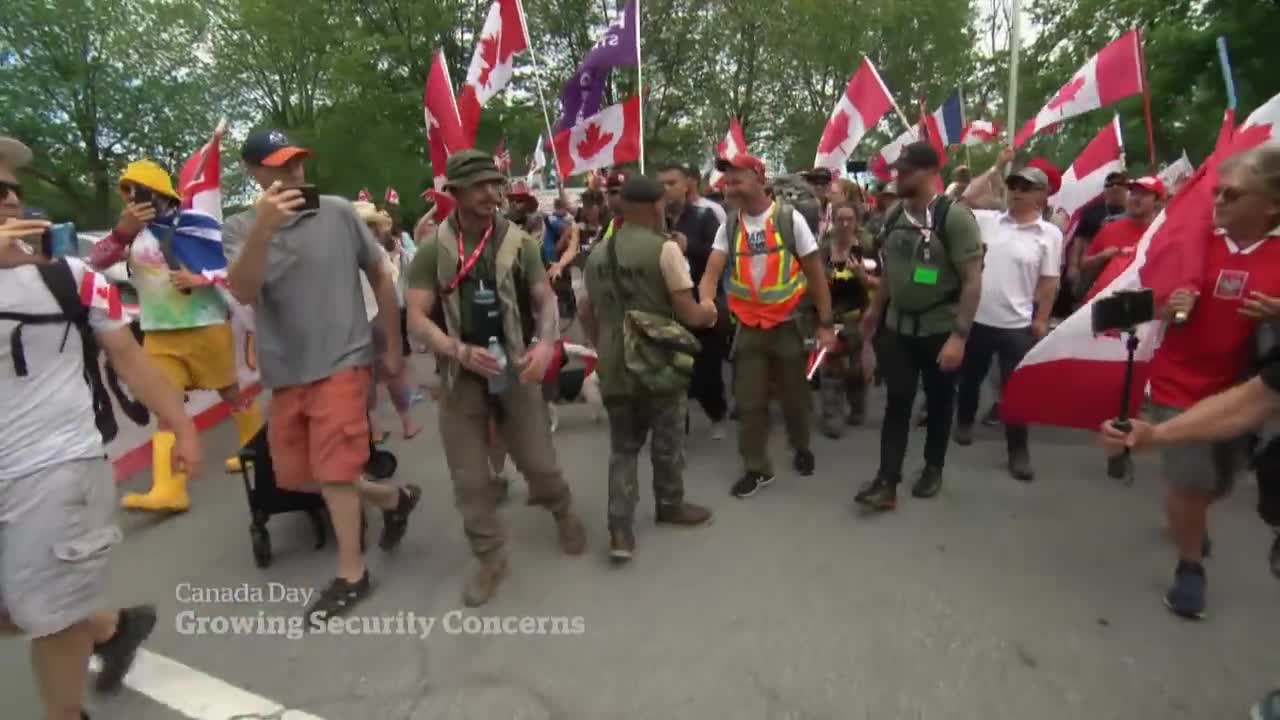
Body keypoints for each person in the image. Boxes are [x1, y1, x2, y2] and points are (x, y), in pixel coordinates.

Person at [1, 136, 201, 719]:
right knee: (19, 606)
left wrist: (181, 425)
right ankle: (114, 628)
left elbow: (132, 360)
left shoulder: (70, 279)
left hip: (56, 468)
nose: (11, 202)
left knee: (49, 615)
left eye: (14, 190)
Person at [222, 129, 422, 623]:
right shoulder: (239, 227)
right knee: (294, 477)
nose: (292, 173)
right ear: (255, 172)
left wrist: (391, 343)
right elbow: (243, 291)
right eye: (279, 165)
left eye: (297, 162)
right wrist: (264, 229)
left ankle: (352, 574)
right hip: (286, 369)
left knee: (334, 469)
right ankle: (393, 498)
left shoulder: (336, 213)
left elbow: (380, 271)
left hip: (344, 358)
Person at [404, 150, 586, 608]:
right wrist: (456, 350)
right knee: (469, 478)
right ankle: (489, 557)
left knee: (539, 462)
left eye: (496, 183)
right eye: (481, 185)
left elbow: (544, 299)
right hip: (460, 375)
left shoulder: (519, 242)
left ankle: (561, 509)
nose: (492, 193)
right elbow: (416, 318)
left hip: (516, 364)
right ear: (457, 193)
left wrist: (545, 345)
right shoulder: (433, 250)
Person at [1116, 145, 1280, 620]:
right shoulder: (1189, 240)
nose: (1220, 202)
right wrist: (1165, 306)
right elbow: (1128, 305)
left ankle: (1192, 517)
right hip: (1179, 387)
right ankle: (1190, 568)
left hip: (1250, 393)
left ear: (1270, 204)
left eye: (1234, 194)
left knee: (1222, 482)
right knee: (1189, 483)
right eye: (1219, 193)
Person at [86, 159, 263, 512]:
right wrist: (123, 233)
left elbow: (231, 264)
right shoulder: (129, 233)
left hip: (205, 325)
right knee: (164, 406)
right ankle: (169, 488)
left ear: (162, 195)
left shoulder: (197, 224)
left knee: (230, 392)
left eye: (140, 192)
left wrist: (200, 279)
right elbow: (95, 261)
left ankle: (256, 449)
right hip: (158, 333)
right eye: (128, 192)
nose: (133, 199)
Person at [580, 175, 718, 561]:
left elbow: (585, 310)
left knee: (623, 446)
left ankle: (620, 531)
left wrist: (602, 344)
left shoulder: (596, 254)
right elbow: (689, 313)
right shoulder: (665, 250)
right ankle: (670, 504)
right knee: (667, 438)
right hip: (657, 360)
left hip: (613, 360)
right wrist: (709, 313)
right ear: (656, 206)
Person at [697, 154, 837, 499]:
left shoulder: (790, 221)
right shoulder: (729, 226)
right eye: (726, 181)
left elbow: (816, 276)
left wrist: (826, 324)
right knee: (749, 401)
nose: (728, 186)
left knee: (794, 397)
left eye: (737, 179)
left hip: (789, 324)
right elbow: (711, 273)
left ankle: (801, 446)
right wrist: (705, 303)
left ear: (759, 178)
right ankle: (757, 468)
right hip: (748, 327)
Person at [856, 142, 984, 510]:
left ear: (930, 173)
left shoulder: (954, 218)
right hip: (898, 327)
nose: (898, 177)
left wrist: (959, 337)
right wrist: (875, 310)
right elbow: (891, 272)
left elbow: (973, 281)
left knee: (940, 402)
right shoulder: (895, 216)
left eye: (906, 171)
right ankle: (886, 481)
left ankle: (933, 467)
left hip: (941, 328)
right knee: (897, 401)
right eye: (897, 170)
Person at [954, 161, 1065, 481]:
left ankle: (1018, 450)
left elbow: (1048, 282)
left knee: (1014, 390)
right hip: (978, 318)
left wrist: (1042, 319)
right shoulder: (989, 221)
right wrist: (996, 167)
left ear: (1042, 196)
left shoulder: (1050, 235)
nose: (1016, 191)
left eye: (1025, 187)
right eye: (1013, 185)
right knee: (970, 379)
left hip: (1017, 325)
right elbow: (965, 198)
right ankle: (963, 420)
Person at [658, 162, 728, 439]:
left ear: (686, 184)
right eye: (661, 184)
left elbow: (721, 256)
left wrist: (691, 248)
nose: (665, 189)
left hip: (702, 301)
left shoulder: (704, 216)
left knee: (707, 365)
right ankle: (678, 425)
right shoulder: (655, 219)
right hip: (668, 305)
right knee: (673, 367)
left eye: (670, 182)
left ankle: (716, 414)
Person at [353, 201, 422, 441]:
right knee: (394, 373)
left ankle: (376, 429)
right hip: (378, 318)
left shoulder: (343, 254)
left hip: (357, 322)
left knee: (366, 377)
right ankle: (407, 424)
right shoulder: (376, 253)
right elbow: (390, 287)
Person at [818, 201, 878, 437]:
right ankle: (832, 415)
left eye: (849, 219)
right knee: (830, 367)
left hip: (858, 317)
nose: (844, 224)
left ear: (857, 222)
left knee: (856, 369)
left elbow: (884, 283)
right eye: (839, 219)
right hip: (829, 316)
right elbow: (808, 281)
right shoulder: (822, 249)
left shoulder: (868, 247)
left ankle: (857, 404)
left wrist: (864, 277)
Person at [1080, 176, 1165, 301]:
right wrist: (1102, 256)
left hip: (1144, 308)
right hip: (1103, 305)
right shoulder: (1110, 229)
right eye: (1133, 193)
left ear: (1158, 202)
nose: (1136, 198)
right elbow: (1083, 264)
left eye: (1143, 194)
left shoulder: (1163, 233)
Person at [1065, 170, 1128, 294]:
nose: (1114, 187)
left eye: (1119, 183)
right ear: (1104, 190)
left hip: (1123, 269)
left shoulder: (1135, 212)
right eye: (1109, 185)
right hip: (1093, 268)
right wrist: (1073, 266)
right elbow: (1079, 241)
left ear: (1126, 188)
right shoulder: (1092, 212)